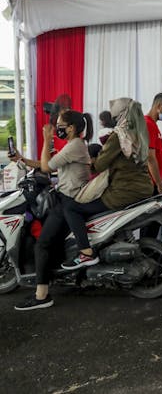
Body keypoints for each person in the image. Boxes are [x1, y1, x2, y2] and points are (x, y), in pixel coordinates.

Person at [12, 110, 93, 310]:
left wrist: (46, 139)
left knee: (41, 245)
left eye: (59, 125)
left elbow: (47, 167)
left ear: (71, 128)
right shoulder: (73, 145)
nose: (56, 128)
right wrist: (21, 160)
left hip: (67, 201)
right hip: (64, 198)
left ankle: (42, 296)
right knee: (50, 241)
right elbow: (47, 165)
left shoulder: (75, 145)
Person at [60, 98, 154, 270]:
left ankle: (86, 253)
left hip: (124, 190)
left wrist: (90, 162)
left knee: (72, 208)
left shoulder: (119, 136)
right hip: (144, 187)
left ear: (120, 115)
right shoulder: (141, 133)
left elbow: (100, 165)